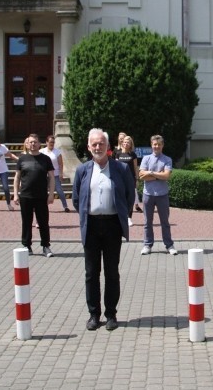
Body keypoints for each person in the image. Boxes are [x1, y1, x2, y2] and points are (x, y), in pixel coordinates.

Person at [72, 128, 135, 331]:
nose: (98, 147)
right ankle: (93, 314)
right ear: (89, 147)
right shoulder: (82, 170)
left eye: (101, 143)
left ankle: (111, 314)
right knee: (91, 273)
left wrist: (123, 217)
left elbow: (129, 195)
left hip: (112, 225)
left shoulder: (120, 169)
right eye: (94, 144)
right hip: (90, 226)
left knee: (111, 272)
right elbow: (76, 199)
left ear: (108, 147)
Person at [13, 134, 55, 257]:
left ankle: (46, 246)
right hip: (25, 196)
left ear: (39, 144)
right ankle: (27, 245)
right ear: (27, 144)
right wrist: (15, 194)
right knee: (26, 222)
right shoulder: (22, 159)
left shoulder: (45, 159)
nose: (33, 144)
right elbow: (17, 177)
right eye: (31, 142)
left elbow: (52, 177)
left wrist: (51, 194)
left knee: (43, 222)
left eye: (35, 142)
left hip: (41, 196)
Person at [139, 135, 177, 256]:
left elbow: (166, 176)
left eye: (159, 144)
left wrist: (150, 173)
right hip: (148, 194)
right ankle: (147, 245)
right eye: (154, 144)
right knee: (147, 222)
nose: (156, 146)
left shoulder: (167, 159)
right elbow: (141, 176)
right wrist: (158, 174)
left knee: (165, 222)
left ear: (162, 145)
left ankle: (169, 245)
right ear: (151, 145)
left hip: (162, 195)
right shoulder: (145, 158)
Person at [39, 134, 71, 213]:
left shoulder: (57, 152)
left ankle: (65, 206)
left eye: (53, 142)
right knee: (43, 191)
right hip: (44, 175)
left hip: (55, 174)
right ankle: (42, 206)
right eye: (50, 142)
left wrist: (61, 173)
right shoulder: (42, 151)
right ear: (46, 142)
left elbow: (60, 163)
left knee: (59, 191)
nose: (52, 144)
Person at [114, 135, 140, 226]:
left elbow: (135, 167)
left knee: (130, 199)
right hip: (120, 179)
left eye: (128, 142)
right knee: (120, 199)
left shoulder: (133, 154)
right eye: (124, 142)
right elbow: (115, 167)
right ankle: (121, 217)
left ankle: (129, 218)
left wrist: (137, 179)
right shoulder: (118, 153)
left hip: (130, 179)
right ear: (122, 143)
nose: (125, 143)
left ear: (130, 144)